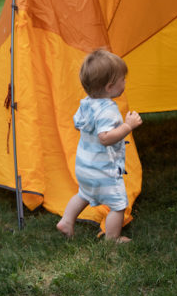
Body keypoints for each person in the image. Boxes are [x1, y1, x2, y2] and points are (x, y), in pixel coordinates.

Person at [55, 49, 143, 242]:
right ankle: (113, 239)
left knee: (83, 194)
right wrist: (128, 126)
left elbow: (81, 125)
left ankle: (67, 221)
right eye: (123, 79)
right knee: (118, 205)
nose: (125, 82)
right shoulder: (109, 110)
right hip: (103, 171)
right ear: (110, 87)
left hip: (85, 167)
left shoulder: (86, 104)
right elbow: (105, 137)